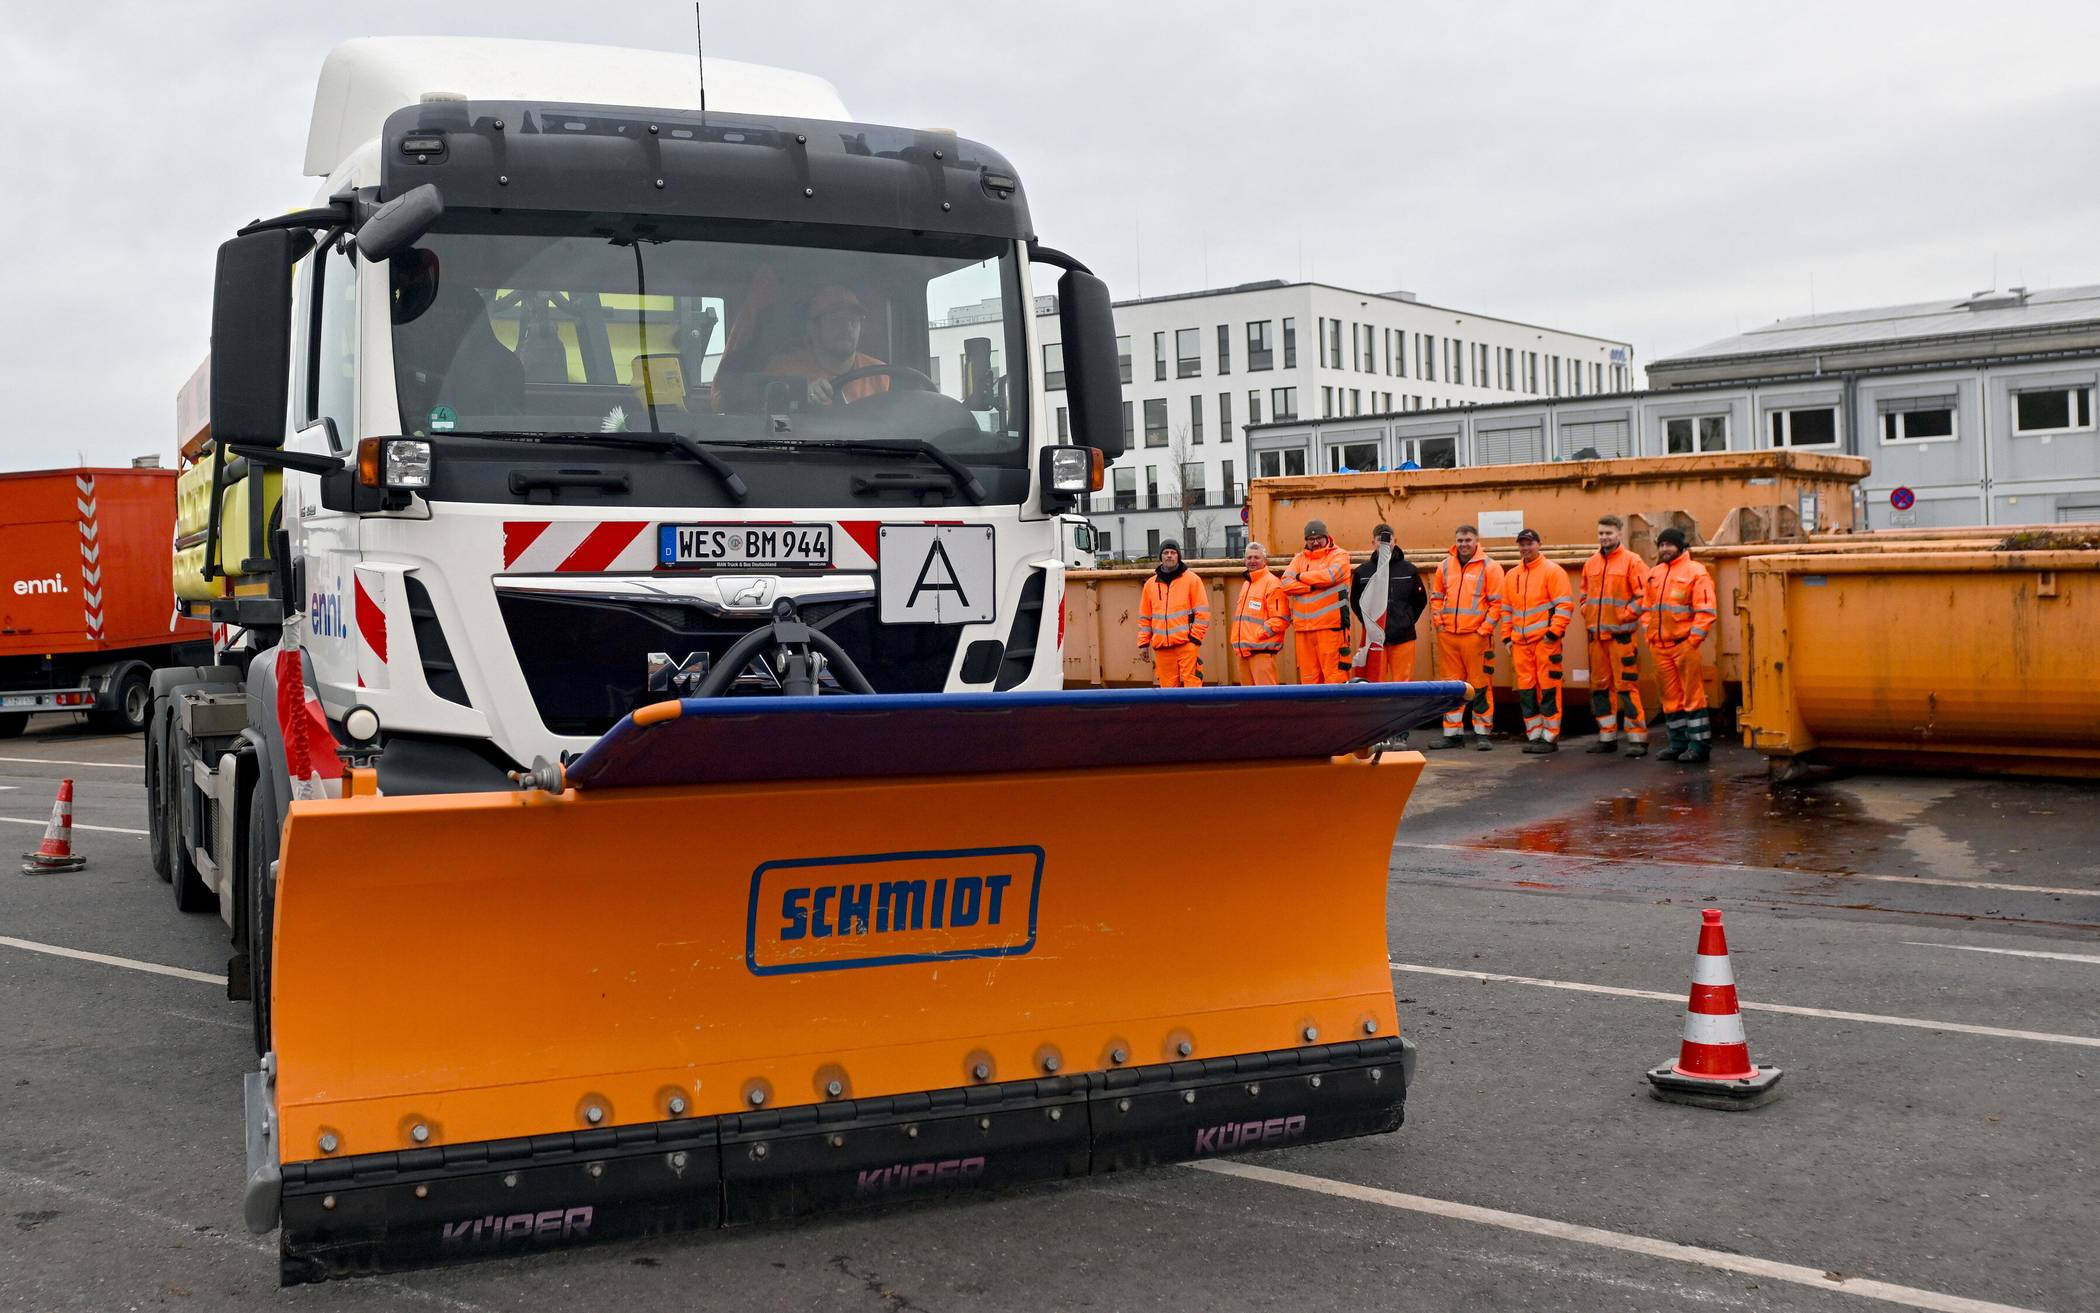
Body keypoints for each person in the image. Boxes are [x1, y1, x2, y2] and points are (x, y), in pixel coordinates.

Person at [1640, 527, 1718, 764]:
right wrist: (1650, 637)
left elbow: (1706, 611)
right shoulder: (1654, 573)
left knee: (1692, 697)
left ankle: (1699, 746)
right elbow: (1647, 609)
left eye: (1669, 545)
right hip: (1660, 646)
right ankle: (1678, 744)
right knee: (1670, 698)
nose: (1664, 549)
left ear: (1681, 547)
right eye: (1661, 545)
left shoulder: (1696, 572)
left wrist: (1692, 640)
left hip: (1684, 645)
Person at [1427, 524, 1505, 749]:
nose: (1463, 544)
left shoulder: (1490, 567)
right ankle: (1452, 734)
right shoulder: (1444, 566)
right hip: (1449, 637)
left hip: (1475, 637)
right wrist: (1439, 625)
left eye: (1468, 540)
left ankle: (1482, 733)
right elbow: (1436, 597)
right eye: (1460, 540)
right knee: (1451, 688)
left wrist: (1484, 630)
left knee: (1480, 685)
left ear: (1476, 541)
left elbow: (1497, 603)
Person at [1579, 514, 1649, 757]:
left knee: (1626, 687)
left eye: (1608, 533)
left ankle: (1637, 739)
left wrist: (1624, 616)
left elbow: (1644, 596)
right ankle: (1606, 737)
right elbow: (1584, 595)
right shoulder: (1591, 564)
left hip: (1621, 639)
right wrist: (1585, 612)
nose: (1604, 537)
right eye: (1601, 533)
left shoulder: (1633, 562)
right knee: (1599, 688)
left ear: (1619, 533)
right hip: (1597, 639)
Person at [1500, 529, 1576, 753]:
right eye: (1522, 544)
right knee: (1527, 690)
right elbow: (1507, 610)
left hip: (1544, 643)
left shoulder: (1553, 572)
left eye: (1529, 543)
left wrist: (1553, 634)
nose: (1525, 548)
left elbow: (1564, 606)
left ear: (1539, 544)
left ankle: (1549, 737)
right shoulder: (1512, 575)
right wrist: (1506, 637)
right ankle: (1534, 735)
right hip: (1520, 645)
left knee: (1548, 689)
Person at [764, 286, 890, 406]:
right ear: (813, 328)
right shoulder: (783, 371)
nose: (847, 328)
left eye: (853, 321)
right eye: (835, 320)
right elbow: (771, 423)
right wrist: (798, 397)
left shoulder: (881, 374)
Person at [1349, 523, 1428, 681]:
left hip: (1403, 637)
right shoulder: (1362, 572)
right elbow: (1356, 602)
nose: (1384, 543)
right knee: (1374, 682)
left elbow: (1420, 600)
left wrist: (1407, 620)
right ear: (1373, 543)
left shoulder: (1409, 570)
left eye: (1388, 539)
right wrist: (1370, 624)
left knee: (1403, 682)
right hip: (1375, 640)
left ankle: (1402, 707)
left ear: (1395, 541)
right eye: (1380, 539)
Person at [1280, 519, 1354, 683]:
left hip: (1331, 628)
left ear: (1327, 537)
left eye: (1319, 538)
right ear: (1305, 541)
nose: (1315, 542)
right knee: (1308, 679)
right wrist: (1311, 587)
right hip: (1304, 630)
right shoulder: (1299, 559)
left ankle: (1336, 709)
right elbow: (1285, 583)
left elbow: (1330, 577)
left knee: (1335, 677)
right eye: (1311, 539)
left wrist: (1300, 577)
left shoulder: (1340, 555)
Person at [1137, 540, 1210, 687]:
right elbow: (1145, 617)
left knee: (1193, 687)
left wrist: (1194, 640)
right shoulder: (1150, 585)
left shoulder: (1192, 580)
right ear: (1161, 557)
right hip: (1162, 649)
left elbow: (1202, 613)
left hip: (1186, 645)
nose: (1169, 556)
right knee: (1168, 692)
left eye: (1173, 552)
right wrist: (1143, 643)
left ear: (1178, 556)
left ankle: (1193, 711)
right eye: (1165, 553)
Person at [1231, 541, 1290, 685]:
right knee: (1248, 701)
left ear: (1265, 561)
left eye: (1256, 557)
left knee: (1267, 701)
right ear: (1244, 560)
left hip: (1261, 653)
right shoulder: (1247, 584)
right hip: (1244, 653)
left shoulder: (1272, 584)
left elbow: (1281, 619)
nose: (1252, 561)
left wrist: (1258, 635)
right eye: (1249, 557)